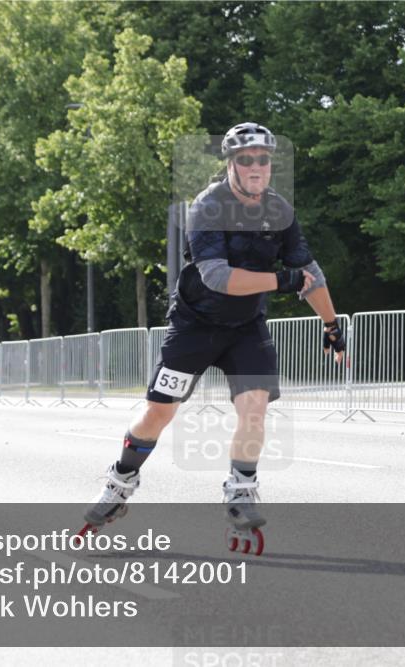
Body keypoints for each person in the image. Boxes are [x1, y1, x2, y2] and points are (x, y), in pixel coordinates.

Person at [80, 122, 346, 550]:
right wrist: (283, 280)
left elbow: (310, 274)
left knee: (255, 407)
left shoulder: (280, 211)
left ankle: (241, 491)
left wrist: (331, 325)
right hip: (195, 325)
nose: (256, 166)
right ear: (231, 164)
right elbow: (218, 278)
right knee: (158, 413)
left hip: (246, 328)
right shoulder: (208, 206)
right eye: (246, 159)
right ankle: (120, 482)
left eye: (264, 159)